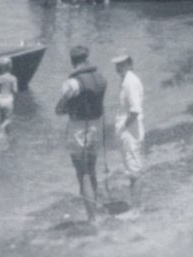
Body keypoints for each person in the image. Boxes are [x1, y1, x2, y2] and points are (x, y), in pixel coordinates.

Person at [55, 45, 108, 223]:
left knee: (82, 174)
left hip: (79, 129)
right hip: (97, 126)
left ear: (72, 61)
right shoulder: (100, 76)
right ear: (87, 58)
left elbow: (60, 108)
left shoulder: (73, 83)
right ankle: (95, 212)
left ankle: (92, 218)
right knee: (91, 170)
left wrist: (65, 107)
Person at [112, 54, 144, 210]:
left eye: (122, 64)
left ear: (130, 64)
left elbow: (135, 111)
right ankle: (136, 206)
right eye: (117, 64)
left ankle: (136, 209)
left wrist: (123, 127)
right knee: (132, 169)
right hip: (129, 131)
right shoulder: (126, 80)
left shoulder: (130, 82)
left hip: (130, 132)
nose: (118, 68)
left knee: (133, 171)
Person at [0, 57, 20, 140]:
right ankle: (2, 128)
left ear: (1, 67)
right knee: (9, 118)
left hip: (0, 99)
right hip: (8, 99)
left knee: (2, 117)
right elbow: (15, 90)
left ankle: (1, 134)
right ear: (10, 66)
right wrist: (15, 98)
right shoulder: (13, 78)